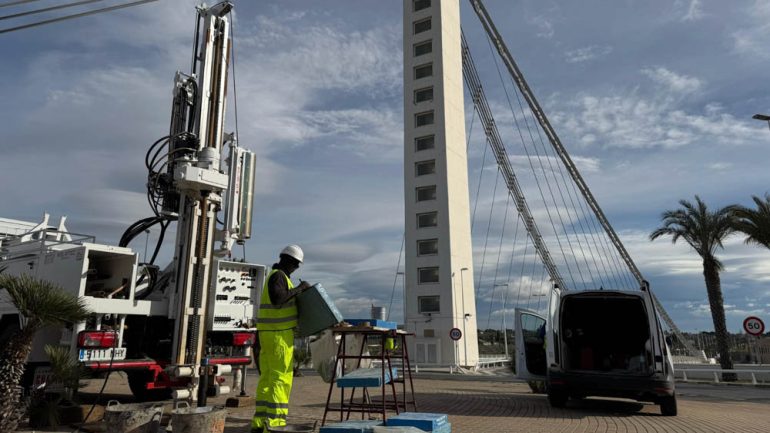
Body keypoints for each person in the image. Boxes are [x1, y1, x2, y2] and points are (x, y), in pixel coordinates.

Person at [251, 245, 312, 433]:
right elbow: (278, 299)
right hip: (279, 336)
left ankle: (260, 423)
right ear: (289, 261)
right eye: (296, 265)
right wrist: (300, 289)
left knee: (268, 379)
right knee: (281, 379)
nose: (297, 269)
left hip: (269, 335)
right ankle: (275, 424)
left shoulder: (276, 276)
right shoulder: (278, 276)